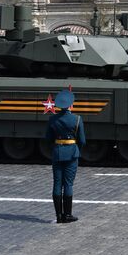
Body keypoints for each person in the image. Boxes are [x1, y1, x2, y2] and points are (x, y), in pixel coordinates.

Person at [45, 89, 86, 223]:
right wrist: (75, 150)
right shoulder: (77, 119)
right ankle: (67, 215)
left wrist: (57, 148)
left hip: (57, 152)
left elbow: (48, 139)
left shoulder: (52, 119)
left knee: (57, 183)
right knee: (68, 184)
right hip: (72, 153)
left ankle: (58, 216)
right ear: (70, 105)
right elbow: (82, 141)